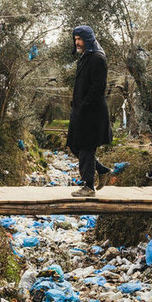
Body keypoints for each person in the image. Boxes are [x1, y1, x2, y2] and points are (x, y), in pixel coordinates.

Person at [66, 26, 112, 197]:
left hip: (92, 114)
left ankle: (88, 187)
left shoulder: (98, 58)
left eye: (80, 39)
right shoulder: (86, 56)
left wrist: (84, 105)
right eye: (75, 39)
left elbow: (98, 87)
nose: (77, 42)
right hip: (81, 111)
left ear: (89, 39)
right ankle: (102, 170)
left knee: (86, 148)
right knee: (75, 145)